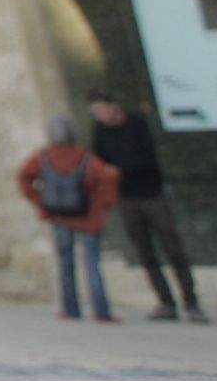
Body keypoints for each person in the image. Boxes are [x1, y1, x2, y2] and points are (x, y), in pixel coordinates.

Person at [88, 97, 205, 325]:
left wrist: (118, 169)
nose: (99, 116)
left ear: (114, 106)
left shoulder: (137, 123)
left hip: (152, 194)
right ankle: (166, 302)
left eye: (101, 110)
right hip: (126, 198)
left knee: (173, 248)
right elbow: (99, 164)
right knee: (145, 251)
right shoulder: (100, 130)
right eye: (95, 113)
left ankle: (191, 302)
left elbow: (147, 158)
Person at [17, 114, 124, 323]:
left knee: (66, 264)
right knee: (92, 264)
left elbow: (24, 178)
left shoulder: (42, 157)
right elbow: (109, 177)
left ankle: (71, 309)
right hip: (87, 215)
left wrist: (40, 202)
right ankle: (101, 311)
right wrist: (102, 203)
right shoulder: (84, 157)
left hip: (58, 215)